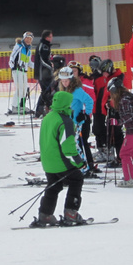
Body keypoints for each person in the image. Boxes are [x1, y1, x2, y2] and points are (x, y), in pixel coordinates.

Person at [35, 90, 86, 227]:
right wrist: (79, 163)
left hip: (48, 163)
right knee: (77, 179)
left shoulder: (48, 117)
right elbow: (68, 149)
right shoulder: (65, 121)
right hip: (61, 163)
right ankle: (71, 213)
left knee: (54, 185)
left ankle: (45, 214)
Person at [109, 78, 133, 187]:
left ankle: (130, 179)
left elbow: (128, 116)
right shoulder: (127, 97)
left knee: (124, 153)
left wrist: (116, 122)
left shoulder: (124, 100)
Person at [56, 65, 96, 173]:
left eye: (66, 81)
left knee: (75, 144)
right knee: (68, 144)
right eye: (62, 81)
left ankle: (85, 167)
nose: (64, 83)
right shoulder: (63, 90)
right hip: (67, 122)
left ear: (71, 79)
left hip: (77, 122)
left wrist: (86, 115)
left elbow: (89, 101)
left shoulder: (77, 90)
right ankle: (75, 166)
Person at [8, 32, 34, 115]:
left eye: (30, 39)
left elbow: (29, 62)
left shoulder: (29, 50)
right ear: (24, 38)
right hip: (17, 70)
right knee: (19, 88)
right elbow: (12, 57)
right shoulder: (19, 46)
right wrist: (13, 66)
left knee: (24, 89)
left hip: (24, 71)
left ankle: (22, 105)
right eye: (27, 38)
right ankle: (14, 107)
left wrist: (38, 67)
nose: (28, 40)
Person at [33, 30, 54, 117]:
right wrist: (50, 66)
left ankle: (41, 110)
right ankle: (41, 110)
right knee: (46, 91)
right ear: (47, 37)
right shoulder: (44, 46)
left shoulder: (45, 45)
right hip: (43, 73)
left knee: (46, 91)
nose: (52, 38)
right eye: (51, 36)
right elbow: (43, 60)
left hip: (45, 72)